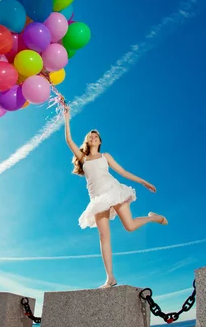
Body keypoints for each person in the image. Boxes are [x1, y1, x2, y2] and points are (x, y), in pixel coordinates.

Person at [63, 107, 168, 289]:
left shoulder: (106, 156)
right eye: (90, 136)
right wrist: (67, 119)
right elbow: (69, 141)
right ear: (87, 141)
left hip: (114, 191)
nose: (93, 137)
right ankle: (110, 278)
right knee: (104, 236)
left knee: (130, 226)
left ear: (100, 141)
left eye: (96, 136)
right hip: (97, 199)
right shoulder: (83, 159)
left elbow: (123, 172)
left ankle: (154, 217)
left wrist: (143, 181)